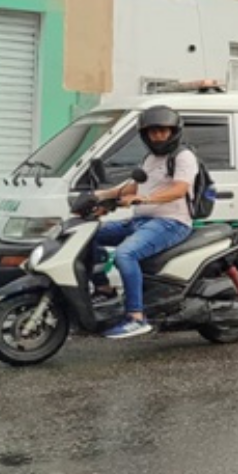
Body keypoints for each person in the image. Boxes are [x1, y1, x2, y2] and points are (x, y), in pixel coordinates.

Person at [91, 106, 198, 339]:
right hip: (141, 220)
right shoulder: (150, 158)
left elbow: (179, 189)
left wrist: (145, 198)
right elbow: (134, 186)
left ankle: (136, 317)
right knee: (88, 235)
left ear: (173, 131)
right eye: (152, 132)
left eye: (163, 131)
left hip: (171, 222)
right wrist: (102, 196)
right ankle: (103, 289)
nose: (158, 136)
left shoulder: (183, 157)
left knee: (124, 254)